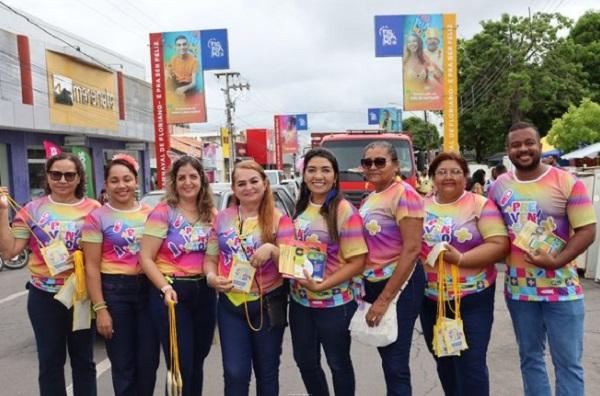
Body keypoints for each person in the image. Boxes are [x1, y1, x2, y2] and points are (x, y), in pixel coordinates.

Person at [488, 121, 596, 396]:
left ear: (539, 146)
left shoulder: (565, 181)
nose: (523, 149)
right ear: (508, 150)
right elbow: (489, 230)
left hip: (563, 289)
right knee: (530, 358)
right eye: (516, 145)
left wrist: (558, 261)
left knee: (568, 363)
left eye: (529, 143)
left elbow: (586, 230)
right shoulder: (499, 186)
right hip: (519, 291)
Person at [0, 152, 99, 395]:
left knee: (84, 361)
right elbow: (10, 252)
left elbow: (104, 253)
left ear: (79, 178)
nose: (62, 180)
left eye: (69, 175)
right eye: (56, 174)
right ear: (48, 177)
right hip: (44, 297)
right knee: (50, 363)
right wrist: (2, 213)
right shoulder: (32, 209)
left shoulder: (94, 209)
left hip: (81, 295)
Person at [420, 152, 509, 395]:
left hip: (472, 299)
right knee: (444, 360)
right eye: (442, 172)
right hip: (431, 300)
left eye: (455, 172)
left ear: (466, 176)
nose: (449, 177)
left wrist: (461, 259)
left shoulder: (480, 204)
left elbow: (499, 244)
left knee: (471, 364)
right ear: (432, 178)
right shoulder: (420, 206)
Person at [204, 160, 294, 396]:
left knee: (267, 372)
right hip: (230, 305)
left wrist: (273, 250)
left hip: (266, 303)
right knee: (235, 373)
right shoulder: (222, 218)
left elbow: (292, 267)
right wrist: (212, 277)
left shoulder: (280, 220)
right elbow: (210, 259)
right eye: (241, 183)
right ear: (234, 189)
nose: (248, 187)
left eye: (254, 181)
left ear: (265, 184)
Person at [289, 147, 368, 396]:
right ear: (303, 175)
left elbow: (357, 261)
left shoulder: (344, 211)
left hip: (334, 305)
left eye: (325, 170)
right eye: (312, 170)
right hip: (300, 302)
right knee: (305, 362)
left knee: (338, 364)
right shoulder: (300, 208)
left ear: (335, 176)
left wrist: (322, 286)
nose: (318, 176)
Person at [139, 155, 218, 396]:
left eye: (193, 177)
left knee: (198, 359)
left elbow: (216, 255)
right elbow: (145, 258)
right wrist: (164, 288)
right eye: (181, 177)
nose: (187, 182)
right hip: (172, 293)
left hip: (204, 291)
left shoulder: (211, 213)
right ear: (174, 182)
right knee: (180, 363)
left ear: (202, 180)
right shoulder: (163, 212)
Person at [82, 155, 159, 396]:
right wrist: (100, 308)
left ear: (137, 182)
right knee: (123, 363)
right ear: (106, 184)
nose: (121, 185)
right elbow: (91, 267)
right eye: (114, 180)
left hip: (149, 291)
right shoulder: (97, 217)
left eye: (127, 179)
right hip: (115, 293)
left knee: (148, 362)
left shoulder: (152, 214)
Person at [358, 141, 425, 395]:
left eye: (380, 161)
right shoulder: (373, 196)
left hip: (400, 284)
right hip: (376, 282)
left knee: (396, 363)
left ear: (396, 165)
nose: (373, 167)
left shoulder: (404, 194)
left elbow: (411, 249)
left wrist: (385, 299)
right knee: (388, 359)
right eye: (367, 162)